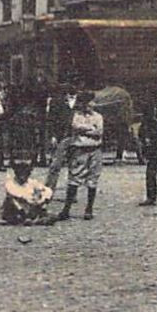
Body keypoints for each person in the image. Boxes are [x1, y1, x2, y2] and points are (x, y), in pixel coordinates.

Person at [58, 91, 104, 221]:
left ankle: (89, 208)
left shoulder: (98, 116)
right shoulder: (76, 116)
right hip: (80, 150)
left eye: (91, 102)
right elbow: (75, 127)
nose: (90, 105)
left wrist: (84, 129)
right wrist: (90, 128)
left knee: (92, 180)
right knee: (74, 178)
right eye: (87, 102)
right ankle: (66, 209)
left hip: (95, 150)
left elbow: (99, 132)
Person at [1, 159, 55, 226]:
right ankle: (26, 218)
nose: (24, 175)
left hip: (30, 206)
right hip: (17, 209)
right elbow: (15, 194)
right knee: (12, 199)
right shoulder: (10, 183)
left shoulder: (31, 182)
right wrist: (30, 199)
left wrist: (42, 199)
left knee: (43, 196)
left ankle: (39, 217)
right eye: (21, 173)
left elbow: (48, 191)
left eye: (26, 173)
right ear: (16, 173)